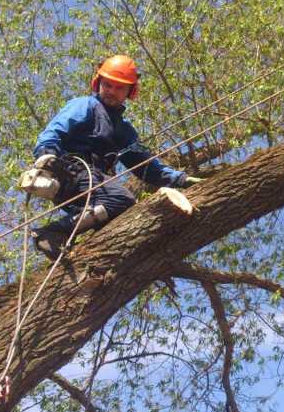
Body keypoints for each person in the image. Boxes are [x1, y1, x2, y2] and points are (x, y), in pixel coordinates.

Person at [31, 55, 201, 260]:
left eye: (119, 87)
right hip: (72, 171)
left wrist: (182, 180)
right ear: (98, 83)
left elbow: (146, 166)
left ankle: (76, 252)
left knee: (119, 218)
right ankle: (53, 232)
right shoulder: (85, 105)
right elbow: (56, 130)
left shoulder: (124, 131)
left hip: (92, 185)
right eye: (107, 84)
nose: (111, 91)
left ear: (130, 91)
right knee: (121, 199)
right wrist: (46, 155)